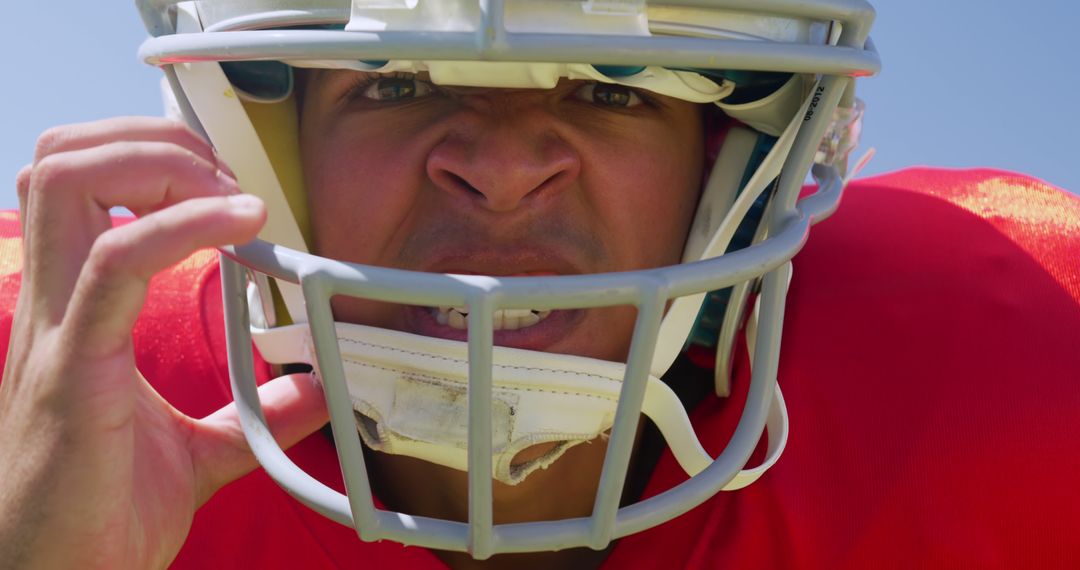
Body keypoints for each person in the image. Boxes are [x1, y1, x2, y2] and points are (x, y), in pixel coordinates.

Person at [2, 1, 1079, 568]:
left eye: (615, 92)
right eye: (397, 81)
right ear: (263, 147)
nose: (503, 165)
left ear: (728, 163)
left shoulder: (1024, 358)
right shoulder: (50, 400)